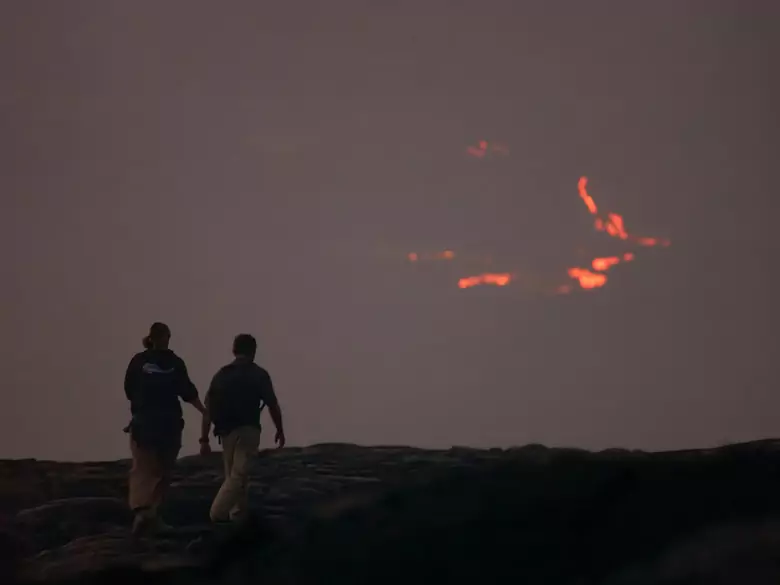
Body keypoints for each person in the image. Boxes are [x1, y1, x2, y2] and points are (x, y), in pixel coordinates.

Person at [123, 322, 207, 536]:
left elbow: (130, 390)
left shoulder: (140, 362)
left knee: (148, 469)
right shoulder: (172, 362)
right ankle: (149, 512)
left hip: (149, 423)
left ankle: (146, 513)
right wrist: (204, 411)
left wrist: (204, 411)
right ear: (161, 337)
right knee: (156, 470)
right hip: (164, 423)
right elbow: (187, 391)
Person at [199, 333, 285, 525]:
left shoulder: (221, 375)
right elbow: (272, 404)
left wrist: (204, 439)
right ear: (253, 351)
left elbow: (208, 410)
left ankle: (237, 517)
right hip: (248, 430)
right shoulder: (258, 374)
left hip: (225, 432)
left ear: (234, 350)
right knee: (239, 475)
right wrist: (280, 429)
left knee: (234, 475)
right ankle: (218, 513)